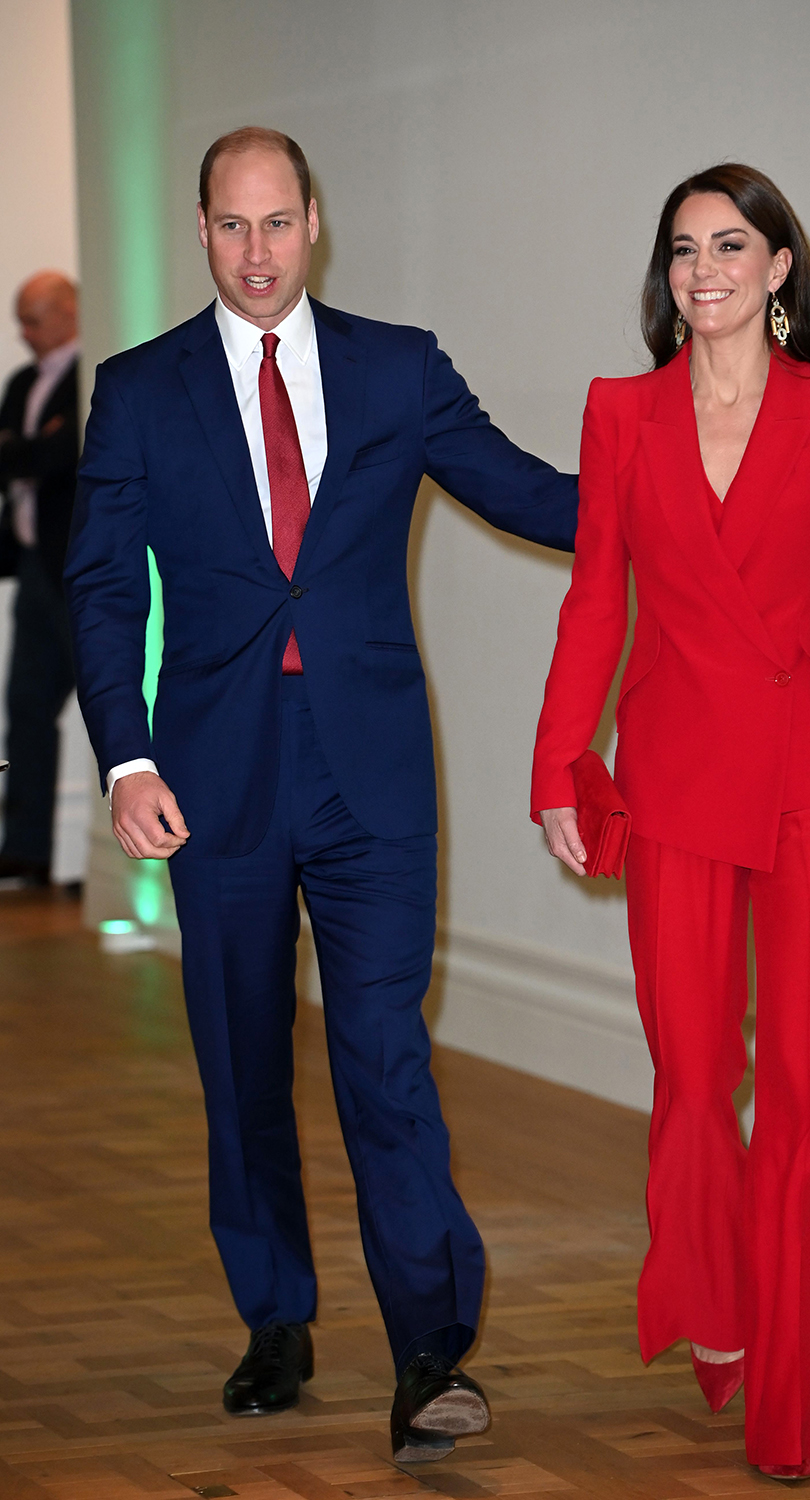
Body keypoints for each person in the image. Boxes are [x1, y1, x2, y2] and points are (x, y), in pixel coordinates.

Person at [65, 128, 577, 1459]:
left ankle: (426, 1349)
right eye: (232, 228)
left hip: (371, 775)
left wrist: (688, 472)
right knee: (243, 1066)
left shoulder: (397, 368)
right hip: (211, 779)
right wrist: (125, 759)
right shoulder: (138, 390)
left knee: (384, 1058)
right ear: (201, 231)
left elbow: (525, 491)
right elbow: (105, 586)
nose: (257, 254)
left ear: (315, 221)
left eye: (278, 224)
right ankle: (277, 1318)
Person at [531, 164, 810, 1482]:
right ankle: (708, 1292)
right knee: (697, 1082)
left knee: (807, 1097)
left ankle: (785, 1404)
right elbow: (596, 602)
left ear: (778, 269)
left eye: (731, 244)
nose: (706, 268)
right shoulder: (620, 413)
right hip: (678, 779)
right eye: (685, 248)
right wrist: (556, 762)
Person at [0, 272, 79, 885]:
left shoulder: (92, 372)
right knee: (24, 706)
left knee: (111, 698)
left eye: (33, 317)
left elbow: (62, 457)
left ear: (68, 310)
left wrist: (27, 449)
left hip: (77, 565)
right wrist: (32, 447)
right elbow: (18, 458)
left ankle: (132, 834)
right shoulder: (23, 382)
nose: (23, 332)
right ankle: (26, 848)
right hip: (29, 564)